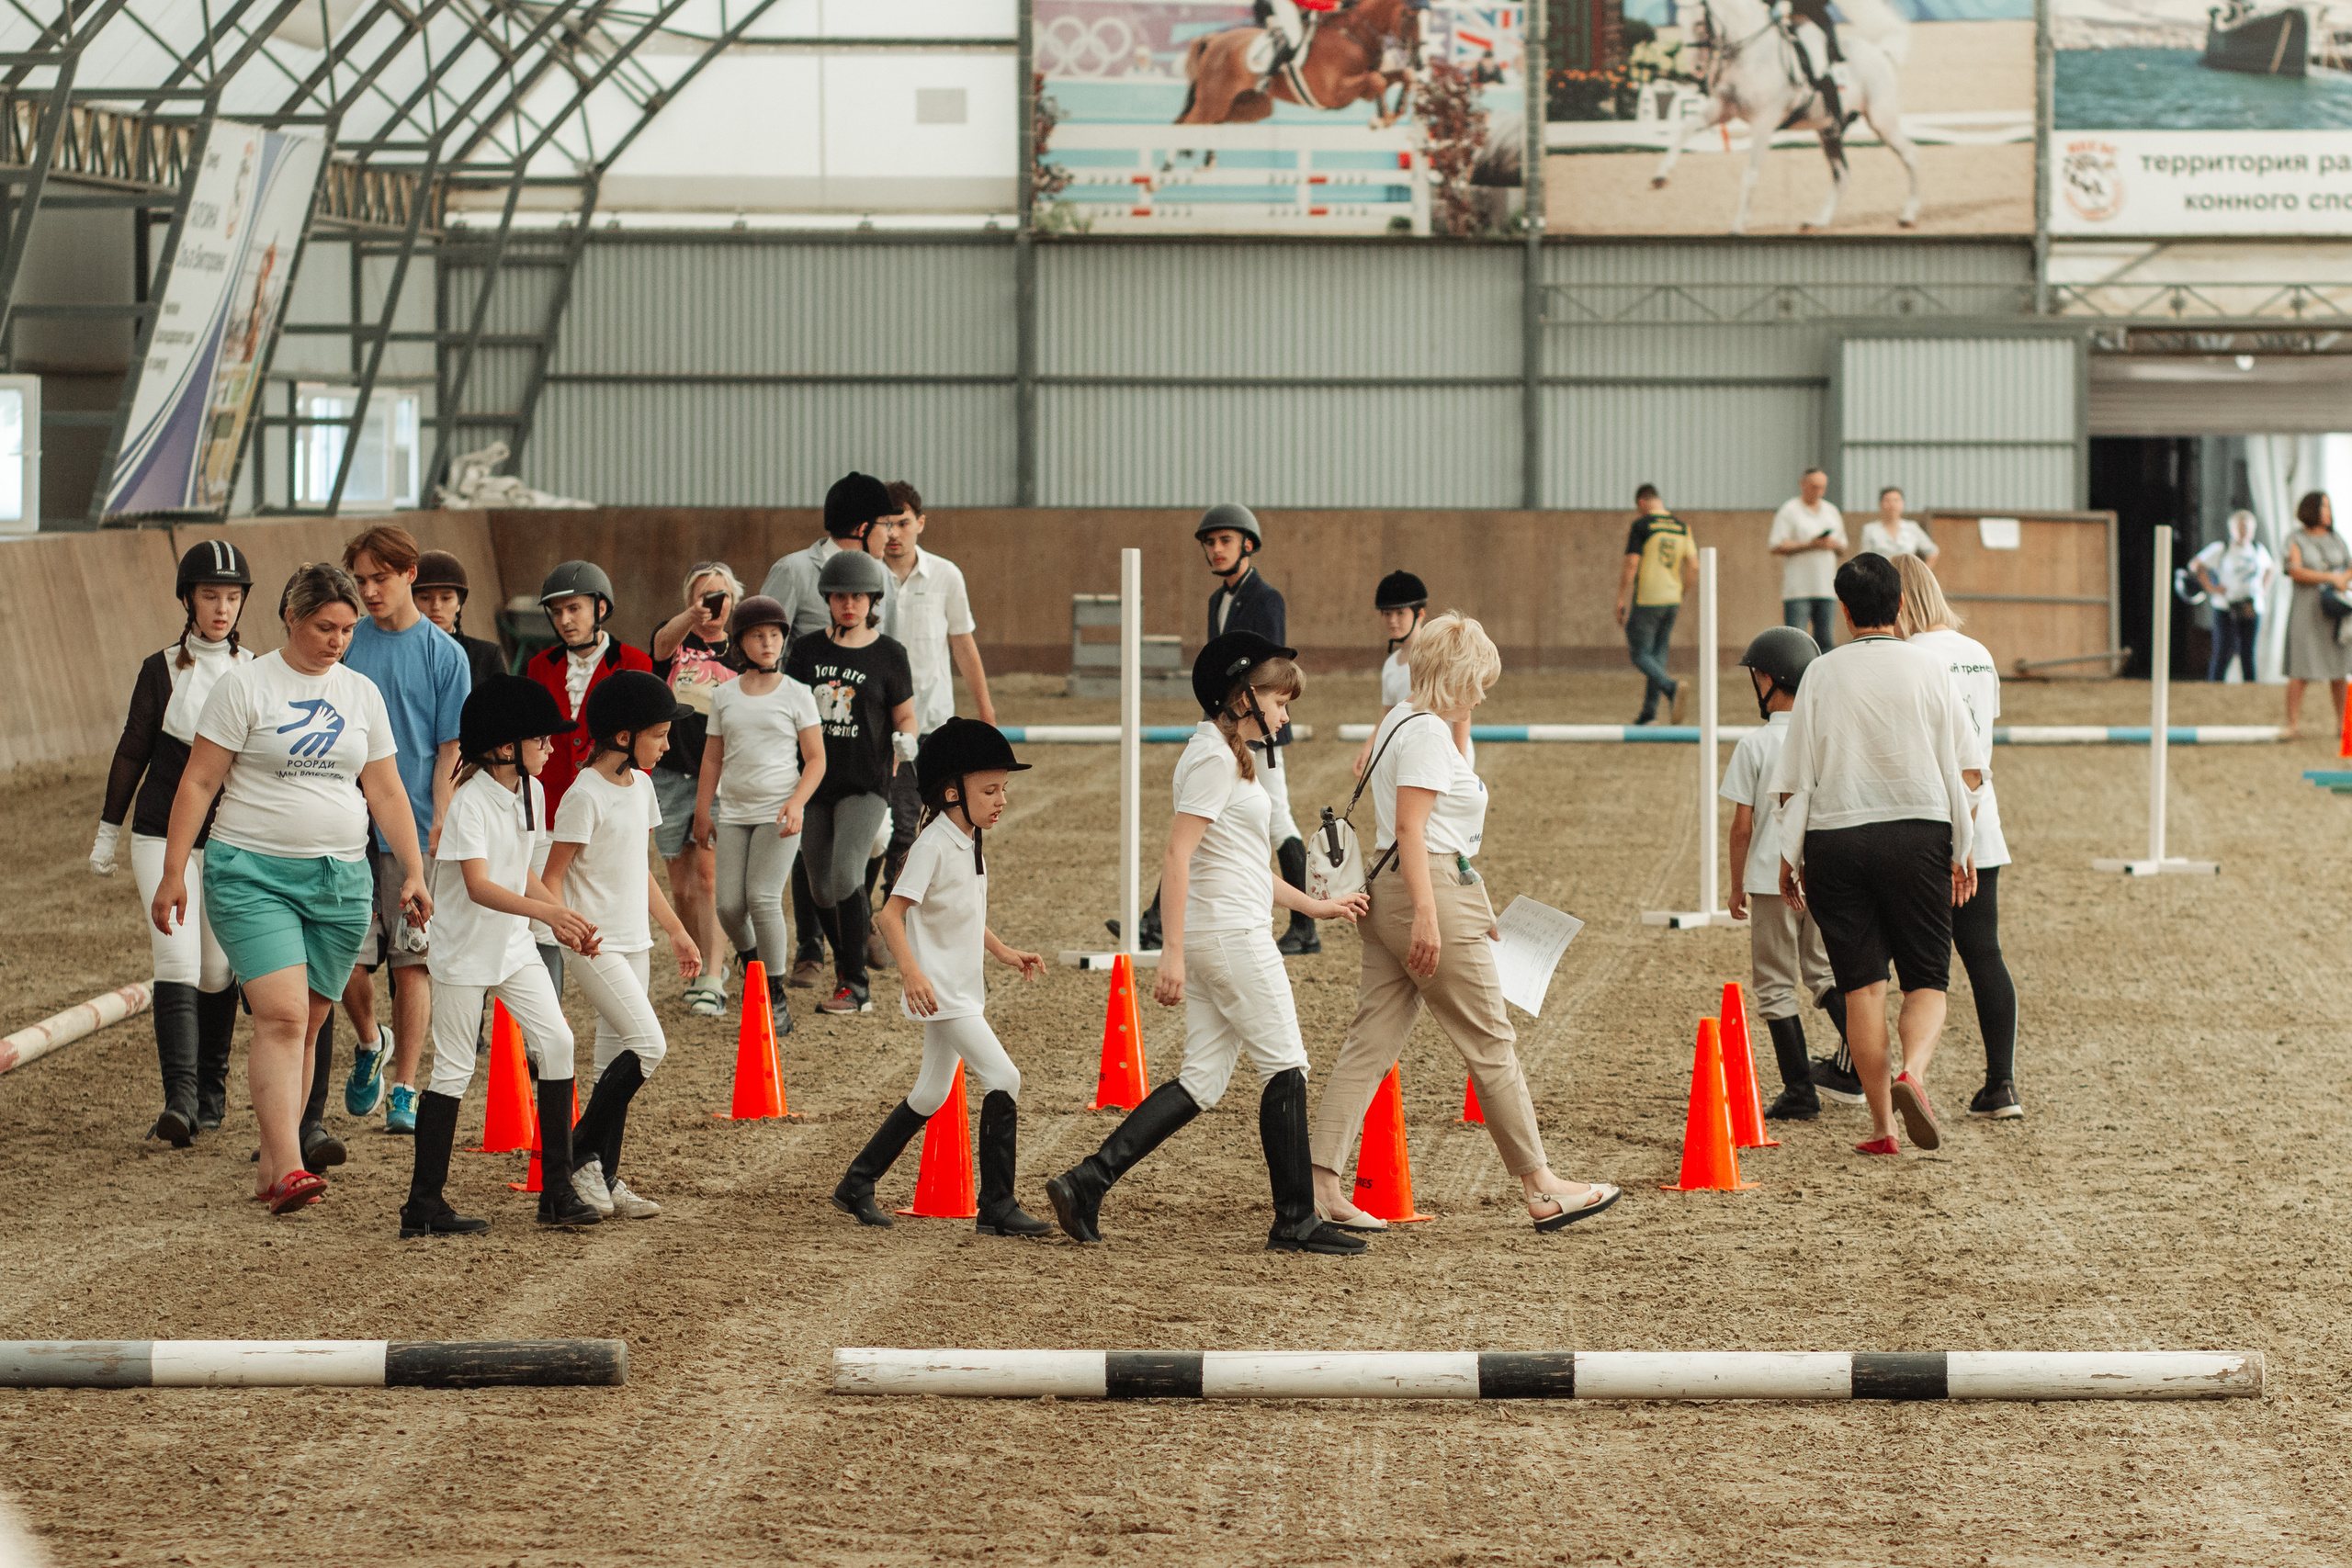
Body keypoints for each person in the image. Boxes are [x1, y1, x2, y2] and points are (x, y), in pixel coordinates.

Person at [1046, 634, 1371, 1255]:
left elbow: (1244, 863)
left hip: (1225, 929)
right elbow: (1179, 853)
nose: (1286, 713)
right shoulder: (1211, 759)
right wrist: (1169, 952)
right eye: (1280, 699)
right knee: (1287, 1063)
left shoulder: (1233, 755)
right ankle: (1296, 1218)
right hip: (1228, 937)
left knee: (1202, 1080)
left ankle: (1088, 1180)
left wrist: (1315, 905)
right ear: (1242, 696)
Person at [1308, 613, 1623, 1234]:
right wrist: (1431, 914)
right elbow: (1413, 829)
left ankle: (1319, 1184)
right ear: (1454, 677)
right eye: (1477, 681)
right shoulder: (1424, 734)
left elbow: (1440, 805)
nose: (1484, 692)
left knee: (1370, 1042)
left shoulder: (1401, 719)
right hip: (1422, 887)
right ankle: (1541, 1185)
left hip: (1390, 884)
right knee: (1491, 1041)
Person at [151, 563, 430, 1213]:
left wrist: (412, 869)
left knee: (308, 1025)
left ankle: (274, 1166)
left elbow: (385, 788)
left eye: (348, 629)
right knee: (281, 1015)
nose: (338, 640)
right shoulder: (245, 686)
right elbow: (197, 782)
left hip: (340, 878)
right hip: (251, 871)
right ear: (290, 618)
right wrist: (174, 870)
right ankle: (289, 1168)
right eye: (325, 627)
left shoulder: (362, 693)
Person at [1771, 552, 1976, 1157]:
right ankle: (1912, 1070)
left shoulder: (1821, 674)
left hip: (1838, 837)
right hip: (1918, 831)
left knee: (1862, 988)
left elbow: (1795, 779)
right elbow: (1964, 768)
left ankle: (1884, 1127)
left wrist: (1789, 857)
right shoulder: (1931, 669)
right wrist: (1962, 848)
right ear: (1901, 606)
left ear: (1842, 610)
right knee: (1927, 980)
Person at [834, 719, 1052, 1236]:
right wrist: (911, 974)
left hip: (959, 989)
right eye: (990, 790)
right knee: (1005, 1078)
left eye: (1004, 789)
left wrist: (1002, 951)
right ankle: (997, 1206)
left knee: (930, 1094)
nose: (1002, 800)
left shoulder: (968, 837)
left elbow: (963, 910)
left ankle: (856, 1183)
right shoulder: (932, 844)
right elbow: (889, 915)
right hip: (943, 993)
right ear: (953, 792)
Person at [404, 674, 601, 1235]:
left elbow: (526, 876)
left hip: (512, 945)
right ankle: (423, 1204)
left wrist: (564, 916)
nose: (552, 747)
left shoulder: (534, 792)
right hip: (465, 950)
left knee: (558, 1042)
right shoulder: (470, 804)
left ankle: (558, 1191)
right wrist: (548, 916)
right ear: (507, 747)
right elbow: (479, 887)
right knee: (455, 1068)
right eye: (542, 739)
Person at [96, 539, 255, 1146]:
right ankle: (181, 1102)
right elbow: (132, 749)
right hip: (161, 835)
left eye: (232, 596)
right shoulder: (159, 669)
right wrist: (109, 831)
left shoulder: (256, 670)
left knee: (217, 970)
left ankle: (212, 1089)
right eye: (211, 595)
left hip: (230, 838)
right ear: (188, 599)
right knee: (177, 961)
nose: (222, 607)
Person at [545, 671, 703, 1223]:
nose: (665, 744)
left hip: (636, 941)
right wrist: (569, 927)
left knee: (614, 1062)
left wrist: (678, 931)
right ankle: (574, 1153)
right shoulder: (583, 795)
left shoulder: (643, 786)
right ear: (621, 736)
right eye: (658, 734)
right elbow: (552, 876)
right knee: (650, 1046)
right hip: (595, 945)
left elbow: (641, 868)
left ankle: (602, 1177)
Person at [336, 524, 469, 1142]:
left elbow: (449, 750)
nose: (368, 590)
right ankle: (370, 1039)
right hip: (343, 830)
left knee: (411, 962)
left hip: (410, 832)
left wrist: (439, 817)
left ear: (410, 574)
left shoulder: (445, 655)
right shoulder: (346, 644)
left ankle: (406, 1086)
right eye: (360, 580)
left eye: (378, 578)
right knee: (345, 962)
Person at [1895, 556, 2021, 1121]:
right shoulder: (1978, 654)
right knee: (1985, 952)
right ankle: (2002, 1084)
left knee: (1914, 963)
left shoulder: (1908, 657)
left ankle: (1889, 1072)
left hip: (1927, 821)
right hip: (1981, 819)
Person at [762, 472, 895, 987]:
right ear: (862, 526)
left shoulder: (883, 578)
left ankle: (853, 925)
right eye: (884, 523)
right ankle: (811, 948)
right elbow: (764, 638)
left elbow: (891, 659)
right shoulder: (794, 571)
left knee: (869, 837)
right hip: (805, 733)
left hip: (866, 743)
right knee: (807, 839)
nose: (891, 534)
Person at [1721, 626, 1846, 1122]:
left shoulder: (1754, 746)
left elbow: (1741, 827)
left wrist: (1735, 885)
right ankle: (1861, 1063)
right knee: (1822, 972)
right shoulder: (1823, 738)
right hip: (1819, 874)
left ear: (1771, 679)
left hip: (1768, 880)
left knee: (1775, 983)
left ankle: (1799, 1090)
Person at [870, 480, 996, 970]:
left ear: (921, 522)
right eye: (886, 523)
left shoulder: (945, 575)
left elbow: (962, 643)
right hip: (873, 724)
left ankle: (888, 917)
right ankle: (864, 917)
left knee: (909, 825)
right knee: (871, 827)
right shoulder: (866, 577)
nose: (895, 532)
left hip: (929, 726)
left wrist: (985, 710)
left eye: (903, 522)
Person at [786, 548, 915, 1017]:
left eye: (859, 597)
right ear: (828, 598)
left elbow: (905, 715)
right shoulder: (806, 652)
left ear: (872, 600)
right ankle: (853, 954)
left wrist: (908, 743)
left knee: (844, 872)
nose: (849, 605)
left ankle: (854, 983)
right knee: (821, 888)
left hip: (866, 782)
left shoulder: (890, 655)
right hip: (814, 780)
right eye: (840, 596)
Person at [696, 594, 824, 1037]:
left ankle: (775, 995)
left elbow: (815, 760)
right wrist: (702, 811)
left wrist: (797, 802)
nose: (768, 642)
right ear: (741, 643)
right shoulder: (724, 696)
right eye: (758, 635)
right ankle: (754, 967)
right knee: (730, 905)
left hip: (779, 815)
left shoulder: (798, 694)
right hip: (733, 813)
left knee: (763, 898)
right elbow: (712, 759)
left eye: (775, 634)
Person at [650, 561, 744, 1016]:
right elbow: (659, 644)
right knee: (682, 885)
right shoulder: (676, 641)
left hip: (719, 775)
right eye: (704, 594)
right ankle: (698, 962)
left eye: (721, 595)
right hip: (668, 774)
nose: (713, 603)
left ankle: (714, 973)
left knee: (709, 877)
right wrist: (691, 616)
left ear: (735, 600)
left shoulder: (743, 649)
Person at [1614, 483, 1695, 727]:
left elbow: (1631, 564)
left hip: (1648, 598)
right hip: (1672, 599)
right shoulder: (1681, 527)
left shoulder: (1642, 526)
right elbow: (1694, 566)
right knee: (1656, 657)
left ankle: (1671, 688)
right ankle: (1649, 712)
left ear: (1641, 503)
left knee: (1640, 654)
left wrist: (1620, 597)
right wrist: (1681, 591)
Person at [2281, 491, 2352, 739]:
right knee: (2300, 667)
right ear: (2312, 509)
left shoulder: (2336, 538)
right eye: (2324, 507)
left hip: (2335, 610)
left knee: (2339, 668)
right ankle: (2293, 724)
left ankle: (2344, 725)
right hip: (2307, 610)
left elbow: (2349, 563)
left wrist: (2343, 578)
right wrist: (2329, 577)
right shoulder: (2295, 539)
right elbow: (2295, 571)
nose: (2329, 512)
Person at [1356, 570, 1430, 778]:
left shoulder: (1435, 656)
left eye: (1400, 613)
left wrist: (1460, 757)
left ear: (1420, 614)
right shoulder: (1390, 664)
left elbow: (1460, 711)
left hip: (1439, 751)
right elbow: (1390, 713)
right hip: (1408, 755)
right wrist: (1370, 746)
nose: (1392, 621)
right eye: (1387, 613)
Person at [2191, 510, 2273, 684]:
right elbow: (2196, 564)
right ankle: (2214, 687)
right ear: (2232, 529)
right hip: (2225, 607)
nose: (2244, 531)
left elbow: (2270, 569)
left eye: (2247, 528)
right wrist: (2210, 587)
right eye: (2240, 527)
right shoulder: (2221, 549)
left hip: (2251, 607)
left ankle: (2251, 688)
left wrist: (2263, 590)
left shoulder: (2258, 550)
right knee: (2222, 651)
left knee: (2247, 652)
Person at [1770, 468, 1847, 651]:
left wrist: (1830, 543)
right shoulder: (1789, 510)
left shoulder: (1831, 511)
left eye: (1822, 487)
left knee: (1825, 639)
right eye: (1814, 487)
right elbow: (1776, 545)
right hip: (1798, 590)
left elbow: (1843, 546)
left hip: (1826, 587)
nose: (1818, 492)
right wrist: (1810, 544)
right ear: (1802, 484)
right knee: (1796, 641)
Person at [413, 550, 506, 691]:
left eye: (446, 598)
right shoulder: (401, 654)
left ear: (459, 603)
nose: (436, 607)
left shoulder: (486, 656)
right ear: (412, 601)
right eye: (425, 598)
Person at [1859, 488, 1939, 564]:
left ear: (1902, 504)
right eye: (1888, 501)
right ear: (1880, 504)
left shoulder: (1912, 528)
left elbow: (1933, 552)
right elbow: (1864, 558)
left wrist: (1923, 573)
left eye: (1896, 500)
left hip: (1906, 575)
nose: (1892, 505)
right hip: (1880, 576)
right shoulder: (1870, 529)